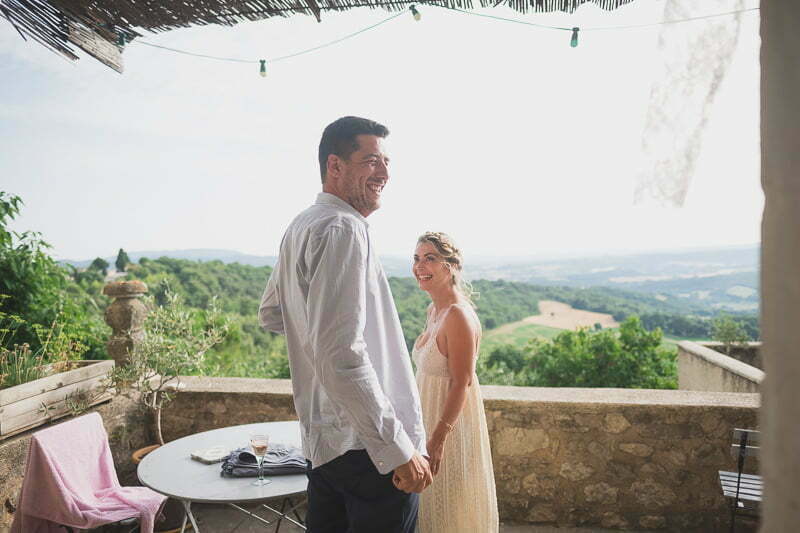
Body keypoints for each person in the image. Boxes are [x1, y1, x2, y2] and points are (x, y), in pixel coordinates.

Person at [259, 116, 432, 533]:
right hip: (367, 447)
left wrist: (314, 330)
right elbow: (340, 354)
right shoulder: (344, 228)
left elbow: (272, 313)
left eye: (387, 162)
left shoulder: (300, 225)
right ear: (335, 165)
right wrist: (397, 450)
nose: (385, 173)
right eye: (371, 161)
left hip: (324, 440)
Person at [411, 231, 499, 533]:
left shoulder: (459, 316)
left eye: (430, 258)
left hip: (446, 427)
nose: (420, 266)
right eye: (417, 258)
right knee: (429, 506)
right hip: (424, 421)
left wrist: (437, 440)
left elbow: (462, 384)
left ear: (451, 266)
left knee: (451, 506)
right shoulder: (434, 310)